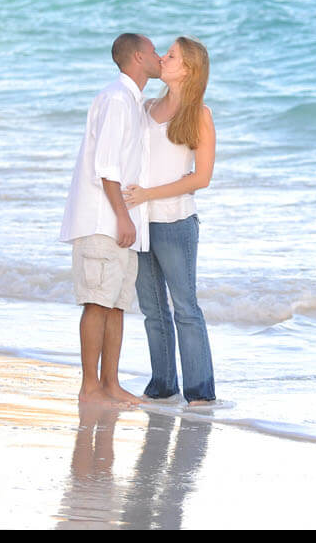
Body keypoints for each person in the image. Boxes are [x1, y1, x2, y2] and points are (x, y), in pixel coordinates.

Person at [60, 33, 161, 406]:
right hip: (103, 220)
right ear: (137, 56)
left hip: (119, 222)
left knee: (116, 304)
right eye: (153, 51)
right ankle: (90, 387)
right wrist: (122, 217)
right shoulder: (117, 99)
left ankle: (111, 384)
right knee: (97, 302)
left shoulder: (132, 102)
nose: (159, 56)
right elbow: (105, 167)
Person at [122, 36, 218, 405]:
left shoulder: (199, 115)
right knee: (152, 310)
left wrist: (149, 194)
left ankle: (200, 393)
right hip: (140, 222)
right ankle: (162, 387)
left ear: (188, 69)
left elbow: (201, 178)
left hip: (176, 223)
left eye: (172, 55)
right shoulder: (144, 107)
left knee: (185, 308)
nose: (162, 57)